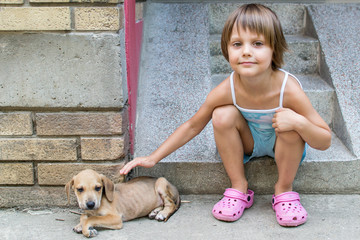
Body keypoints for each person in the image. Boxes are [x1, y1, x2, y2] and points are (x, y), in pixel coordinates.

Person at [120, 3, 331, 227]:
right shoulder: (226, 89)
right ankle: (239, 187)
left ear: (274, 49)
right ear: (226, 49)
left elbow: (324, 139)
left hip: (285, 143)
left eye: (258, 43)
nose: (246, 51)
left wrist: (299, 122)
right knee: (221, 114)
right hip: (250, 142)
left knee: (291, 127)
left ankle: (284, 189)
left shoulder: (288, 88)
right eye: (237, 44)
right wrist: (154, 157)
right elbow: (193, 125)